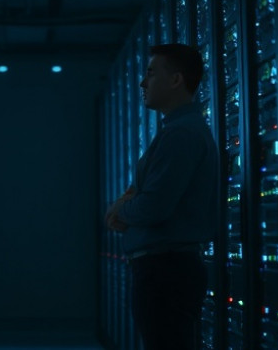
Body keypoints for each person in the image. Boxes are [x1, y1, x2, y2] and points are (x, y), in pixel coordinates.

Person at [104, 43, 220, 350]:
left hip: (166, 273)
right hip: (166, 270)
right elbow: (142, 196)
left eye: (151, 73)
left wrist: (121, 209)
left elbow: (153, 205)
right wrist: (130, 203)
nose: (143, 82)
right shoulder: (176, 131)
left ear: (176, 80)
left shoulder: (180, 134)